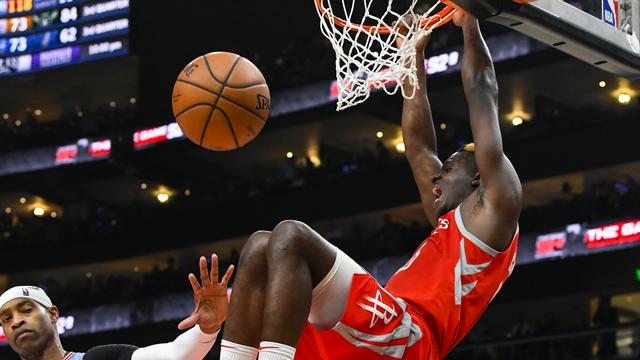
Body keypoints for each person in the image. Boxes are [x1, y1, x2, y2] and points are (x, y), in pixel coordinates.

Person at [219, 11, 522, 360]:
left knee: (292, 236)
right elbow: (420, 147)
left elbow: (483, 92)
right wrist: (412, 54)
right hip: (380, 331)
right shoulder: (450, 219)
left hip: (411, 339)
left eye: (447, 169)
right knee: (259, 246)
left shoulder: (498, 207)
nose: (435, 177)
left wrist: (470, 21)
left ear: (477, 176)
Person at [0, 254, 234, 360]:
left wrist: (207, 329)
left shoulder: (101, 358)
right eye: (6, 319)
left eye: (27, 310)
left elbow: (175, 355)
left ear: (53, 314)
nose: (16, 321)